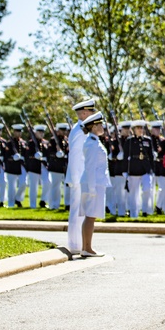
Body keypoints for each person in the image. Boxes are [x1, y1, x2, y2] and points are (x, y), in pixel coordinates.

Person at [65, 99, 97, 254]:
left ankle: (79, 245)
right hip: (78, 177)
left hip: (80, 177)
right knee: (76, 211)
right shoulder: (79, 131)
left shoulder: (81, 129)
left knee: (80, 211)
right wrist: (78, 179)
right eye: (91, 112)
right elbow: (77, 157)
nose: (92, 114)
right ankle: (75, 245)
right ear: (84, 113)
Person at [79, 111, 109, 257]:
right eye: (100, 124)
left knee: (90, 216)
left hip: (95, 183)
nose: (102, 126)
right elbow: (90, 167)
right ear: (94, 126)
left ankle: (86, 247)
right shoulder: (91, 144)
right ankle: (87, 248)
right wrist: (91, 189)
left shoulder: (94, 141)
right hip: (93, 184)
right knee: (90, 216)